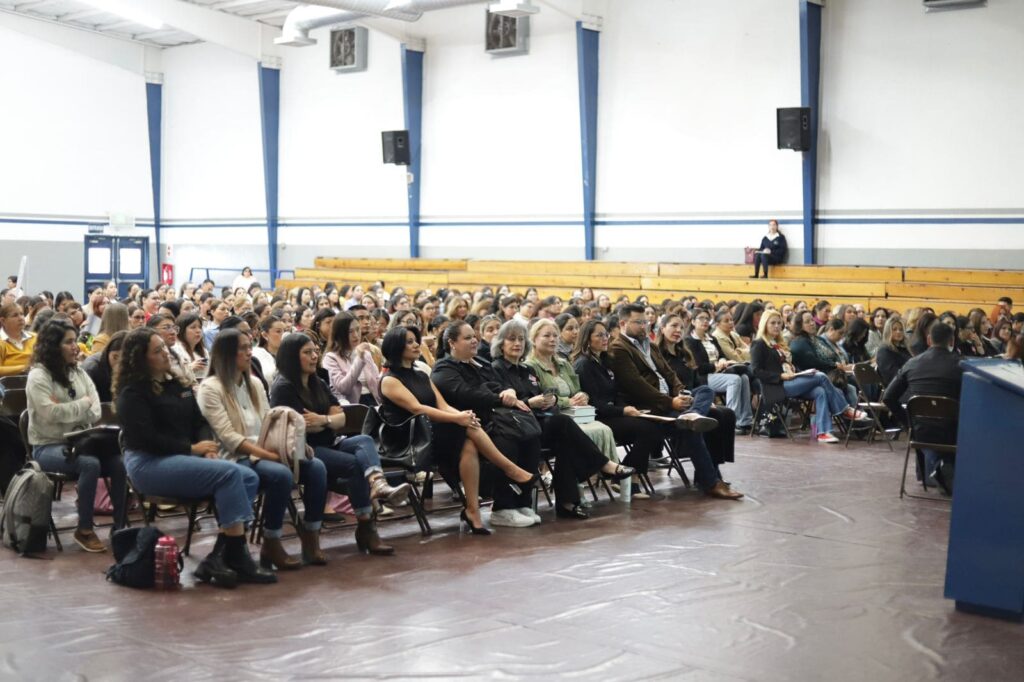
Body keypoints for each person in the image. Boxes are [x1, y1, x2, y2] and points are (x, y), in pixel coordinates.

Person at [116, 327, 268, 585]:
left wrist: (206, 447)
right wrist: (191, 450)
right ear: (140, 359)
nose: (166, 353)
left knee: (248, 477)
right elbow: (147, 438)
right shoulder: (132, 393)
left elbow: (199, 421)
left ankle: (220, 556)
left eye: (164, 347)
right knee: (231, 473)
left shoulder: (176, 384)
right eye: (157, 350)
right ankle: (237, 555)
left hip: (183, 457)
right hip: (148, 463)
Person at [379, 325, 536, 533]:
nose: (417, 344)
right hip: (409, 438)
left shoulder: (421, 375)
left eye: (415, 340)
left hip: (431, 431)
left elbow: (442, 405)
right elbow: (418, 409)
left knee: (468, 435)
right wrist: (457, 418)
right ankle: (509, 468)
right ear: (395, 346)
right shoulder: (389, 379)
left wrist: (462, 416)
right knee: (466, 429)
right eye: (409, 341)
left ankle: (473, 511)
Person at [197, 329, 327, 571]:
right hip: (235, 457)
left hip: (266, 451)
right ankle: (271, 540)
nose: (250, 352)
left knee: (317, 467)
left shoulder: (255, 383)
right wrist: (271, 455)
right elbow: (228, 437)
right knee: (281, 474)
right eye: (243, 348)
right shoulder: (210, 388)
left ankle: (311, 537)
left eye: (250, 346)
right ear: (226, 354)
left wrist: (288, 448)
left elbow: (270, 423)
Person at [272, 333, 409, 556]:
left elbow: (341, 418)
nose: (315, 356)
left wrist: (323, 420)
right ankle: (362, 527)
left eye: (315, 351)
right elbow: (299, 426)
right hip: (303, 449)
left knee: (363, 441)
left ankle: (378, 483)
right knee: (355, 463)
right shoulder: (284, 387)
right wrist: (327, 421)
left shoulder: (318, 382)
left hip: (328, 442)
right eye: (307, 352)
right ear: (291, 356)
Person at [484, 321, 636, 519]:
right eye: (511, 339)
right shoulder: (496, 369)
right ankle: (603, 466)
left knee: (565, 440)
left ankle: (567, 502)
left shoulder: (525, 371)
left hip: (535, 423)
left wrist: (550, 400)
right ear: (501, 344)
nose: (517, 343)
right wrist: (531, 402)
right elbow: (502, 401)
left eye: (521, 339)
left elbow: (544, 399)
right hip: (515, 427)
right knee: (562, 424)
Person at [605, 305, 742, 499]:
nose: (644, 326)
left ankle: (690, 415)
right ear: (623, 323)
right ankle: (711, 481)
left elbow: (670, 375)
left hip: (671, 400)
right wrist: (671, 403)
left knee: (706, 392)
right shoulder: (619, 348)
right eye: (639, 322)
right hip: (650, 406)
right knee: (697, 425)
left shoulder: (649, 345)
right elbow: (636, 385)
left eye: (646, 322)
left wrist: (682, 394)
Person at [27, 320, 127, 551]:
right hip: (48, 446)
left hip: (84, 442)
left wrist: (71, 409)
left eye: (76, 341)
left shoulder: (79, 373)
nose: (76, 347)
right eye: (69, 342)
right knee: (89, 465)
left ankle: (120, 527)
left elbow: (96, 411)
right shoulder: (38, 376)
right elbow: (50, 414)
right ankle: (84, 530)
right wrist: (81, 404)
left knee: (121, 463)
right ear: (53, 346)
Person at [572, 319, 665, 498]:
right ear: (587, 339)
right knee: (648, 429)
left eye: (606, 334)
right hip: (597, 417)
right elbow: (594, 403)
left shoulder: (605, 361)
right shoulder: (583, 365)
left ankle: (627, 474)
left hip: (612, 413)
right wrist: (623, 411)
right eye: (599, 335)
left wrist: (627, 408)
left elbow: (615, 395)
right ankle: (626, 477)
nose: (605, 338)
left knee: (653, 423)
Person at [750, 310, 866, 444]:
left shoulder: (779, 343)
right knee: (821, 376)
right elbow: (756, 371)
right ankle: (845, 410)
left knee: (820, 391)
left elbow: (788, 364)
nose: (777, 326)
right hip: (777, 385)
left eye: (779, 323)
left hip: (792, 379)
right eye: (773, 323)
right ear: (764, 324)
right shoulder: (759, 344)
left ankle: (824, 433)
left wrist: (801, 373)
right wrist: (781, 376)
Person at [882, 322, 962, 494]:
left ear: (928, 339)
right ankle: (947, 472)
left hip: (920, 430)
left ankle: (935, 472)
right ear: (952, 341)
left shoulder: (912, 364)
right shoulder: (961, 366)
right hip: (953, 432)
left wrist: (908, 423)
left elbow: (888, 397)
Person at [526, 319, 619, 464]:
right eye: (546, 336)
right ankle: (605, 468)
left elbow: (578, 391)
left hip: (577, 415)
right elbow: (543, 399)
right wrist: (566, 401)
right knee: (583, 433)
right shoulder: (529, 367)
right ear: (533, 339)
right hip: (553, 419)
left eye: (555, 336)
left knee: (603, 430)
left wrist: (583, 396)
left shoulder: (564, 364)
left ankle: (608, 475)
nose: (552, 339)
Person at [684, 309, 754, 432]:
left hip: (719, 372)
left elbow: (722, 355)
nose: (705, 321)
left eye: (707, 318)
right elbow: (699, 367)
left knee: (744, 378)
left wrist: (722, 360)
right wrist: (717, 366)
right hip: (704, 376)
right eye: (701, 318)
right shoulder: (690, 340)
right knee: (735, 380)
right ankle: (733, 421)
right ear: (693, 321)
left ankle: (746, 420)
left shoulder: (711, 338)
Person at [323, 313, 381, 406]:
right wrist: (360, 358)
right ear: (340, 334)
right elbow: (344, 388)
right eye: (350, 332)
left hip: (373, 402)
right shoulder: (331, 358)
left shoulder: (365, 353)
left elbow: (377, 382)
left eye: (358, 329)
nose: (356, 335)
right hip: (352, 406)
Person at [82, 330, 127, 403]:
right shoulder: (92, 369)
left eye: (125, 359)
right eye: (115, 357)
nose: (119, 363)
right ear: (107, 352)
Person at [0, 302, 36, 376]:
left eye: (22, 314)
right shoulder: (1, 342)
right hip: (7, 385)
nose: (21, 318)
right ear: (3, 321)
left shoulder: (35, 337)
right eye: (15, 315)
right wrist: (25, 368)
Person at [875, 317, 912, 387]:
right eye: (894, 329)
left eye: (901, 330)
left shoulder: (905, 348)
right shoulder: (884, 351)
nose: (898, 332)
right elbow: (892, 376)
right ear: (888, 331)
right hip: (897, 388)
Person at [172, 313, 209, 381]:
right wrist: (190, 368)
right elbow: (172, 376)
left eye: (200, 327)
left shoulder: (204, 351)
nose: (198, 331)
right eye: (193, 327)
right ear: (181, 330)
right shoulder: (175, 350)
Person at [252, 315, 286, 385]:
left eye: (284, 331)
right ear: (265, 335)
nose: (283, 335)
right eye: (278, 331)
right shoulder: (257, 354)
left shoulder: (289, 354)